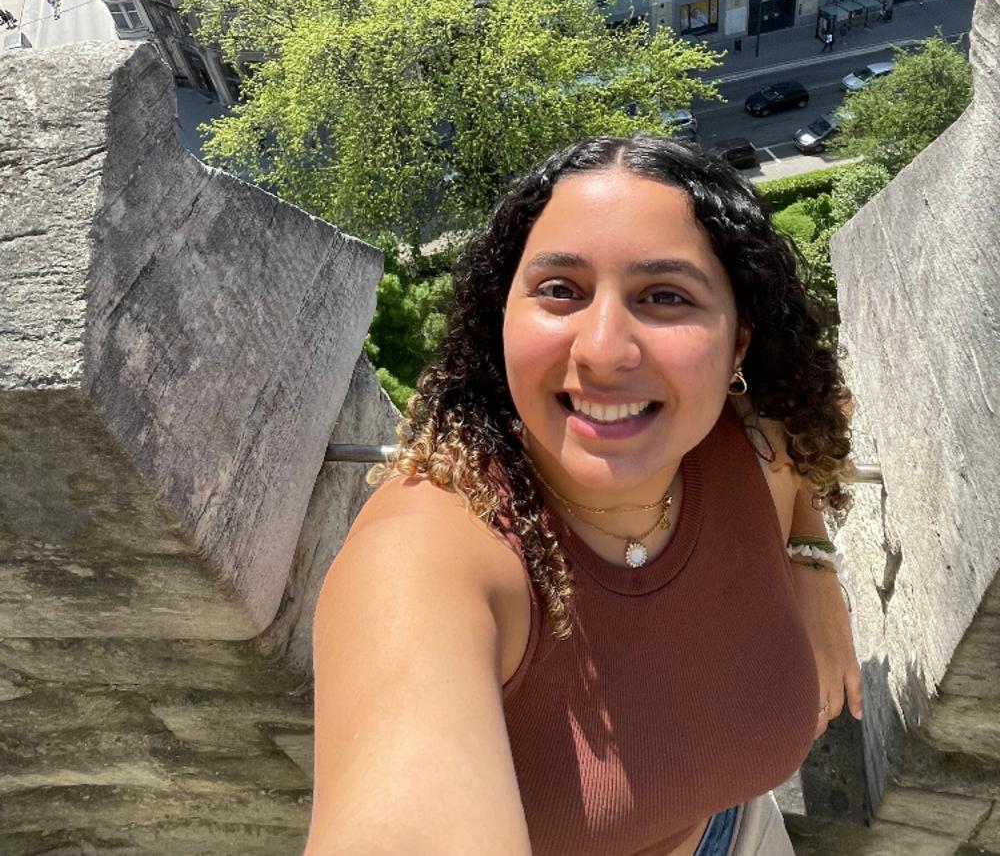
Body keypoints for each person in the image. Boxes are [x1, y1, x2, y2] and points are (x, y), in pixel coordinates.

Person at [307, 136, 862, 856]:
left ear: (738, 346)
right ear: (499, 317)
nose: (603, 350)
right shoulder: (420, 559)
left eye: (665, 296)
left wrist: (813, 562)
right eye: (561, 289)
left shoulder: (752, 440)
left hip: (744, 833)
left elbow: (822, 418)